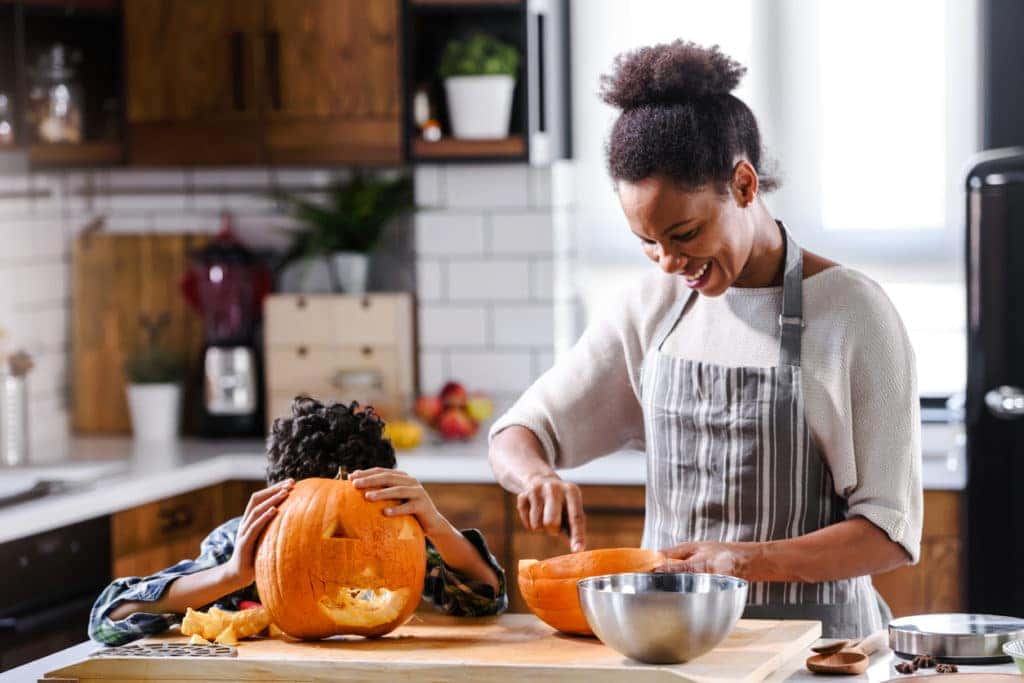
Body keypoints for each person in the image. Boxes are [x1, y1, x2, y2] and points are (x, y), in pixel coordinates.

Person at [487, 41, 921, 637]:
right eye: (647, 241)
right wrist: (536, 475)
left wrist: (746, 561)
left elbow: (890, 533)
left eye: (684, 233)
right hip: (674, 654)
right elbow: (517, 432)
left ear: (743, 184)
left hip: (817, 657)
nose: (667, 262)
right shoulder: (654, 309)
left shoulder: (853, 313)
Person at [90, 396, 506, 646]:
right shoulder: (243, 541)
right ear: (280, 504)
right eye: (330, 529)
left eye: (360, 523)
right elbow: (109, 621)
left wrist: (434, 525)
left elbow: (485, 600)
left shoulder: (396, 532)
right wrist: (231, 574)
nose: (349, 553)